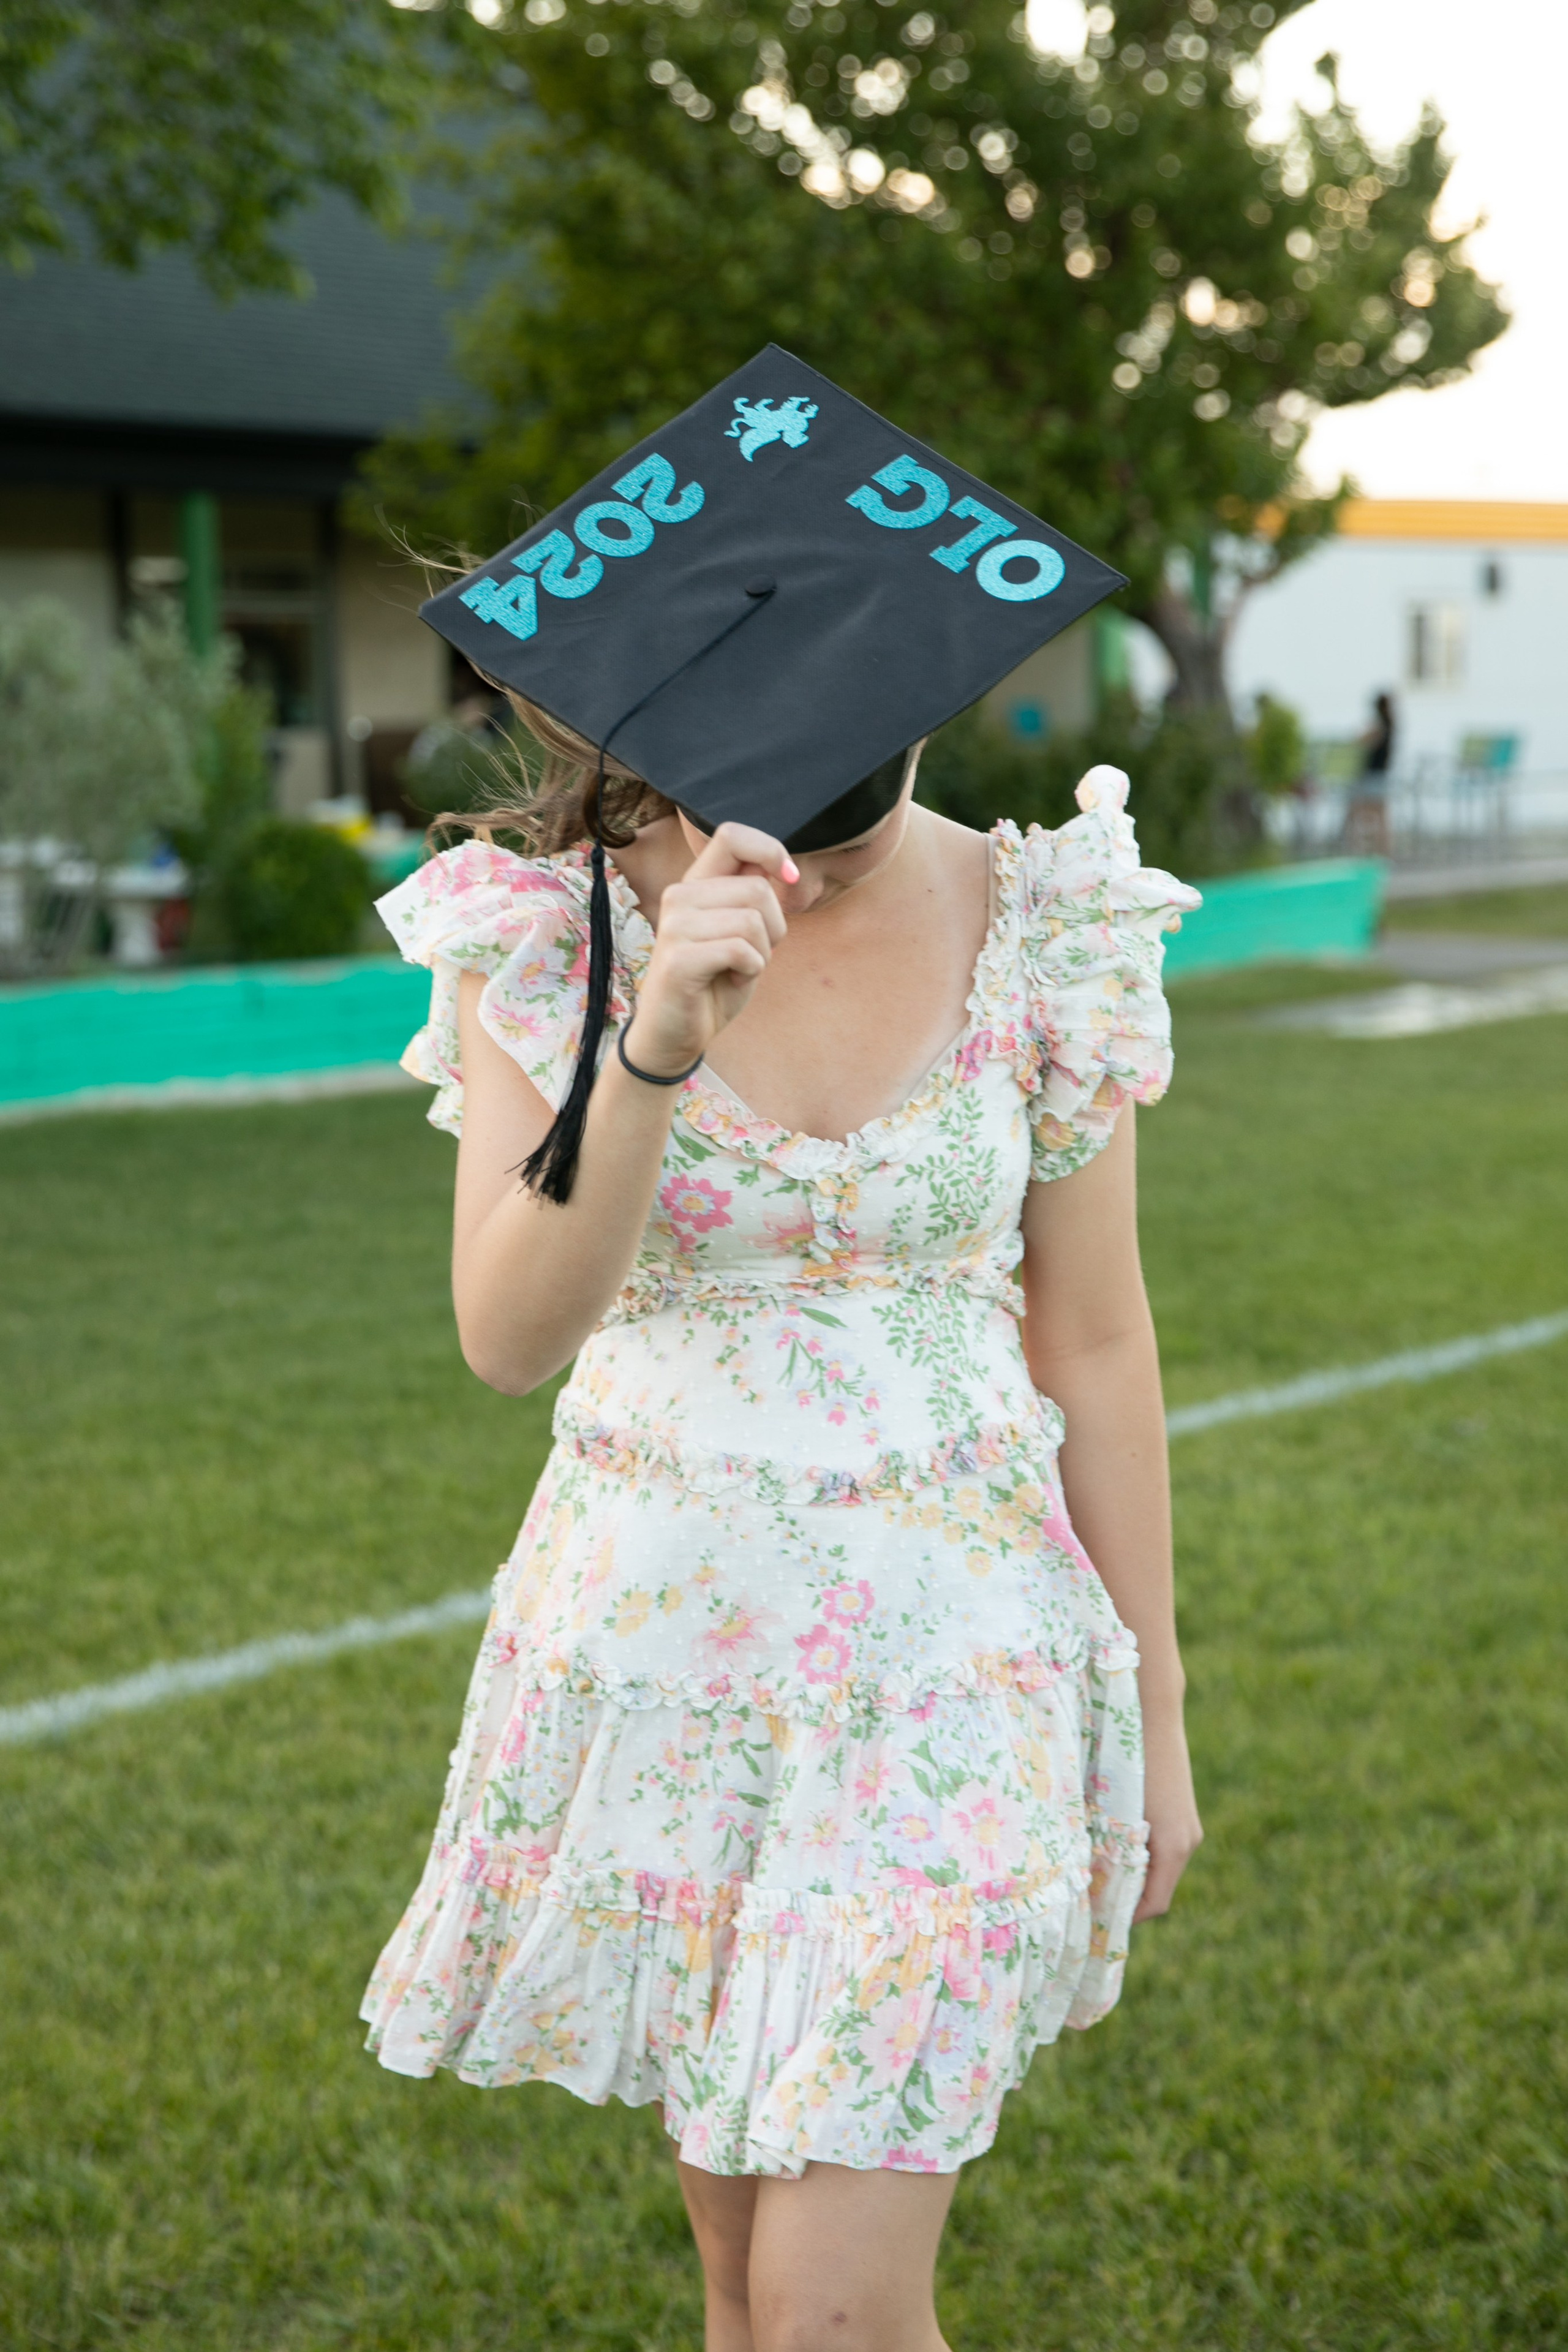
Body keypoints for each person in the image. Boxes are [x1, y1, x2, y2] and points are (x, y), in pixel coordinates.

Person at [360, 350, 1204, 2351]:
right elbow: (508, 1335)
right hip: (673, 1672)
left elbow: (1096, 1335)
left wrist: (1158, 1719)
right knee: (743, 2300)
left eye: (860, 798)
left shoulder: (1047, 923)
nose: (816, 865)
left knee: (833, 2315)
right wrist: (654, 1049)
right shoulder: (545, 940)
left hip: (953, 1676)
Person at [1344, 690, 1396, 856]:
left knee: (1359, 811)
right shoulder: (1390, 724)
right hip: (1381, 774)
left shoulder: (1381, 726)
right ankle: (1382, 852)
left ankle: (1363, 851)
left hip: (1373, 775)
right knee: (1379, 816)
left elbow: (1362, 741)